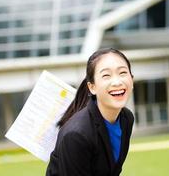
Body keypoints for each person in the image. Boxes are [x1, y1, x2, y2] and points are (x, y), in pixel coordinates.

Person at [46, 48, 135, 176]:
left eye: (122, 73)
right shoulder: (77, 135)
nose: (117, 82)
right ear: (92, 87)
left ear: (132, 79)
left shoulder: (126, 118)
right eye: (106, 75)